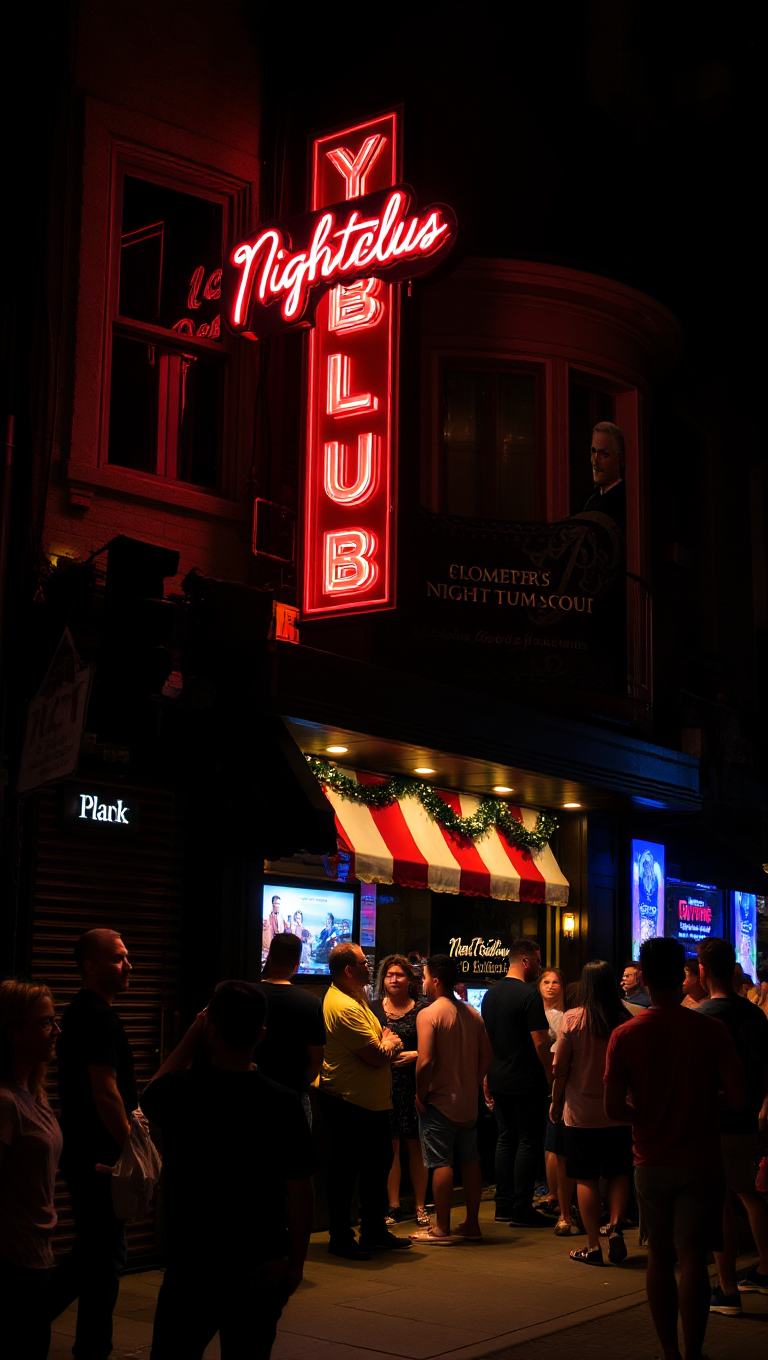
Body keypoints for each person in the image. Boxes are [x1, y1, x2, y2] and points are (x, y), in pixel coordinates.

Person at [141, 980, 317, 1359]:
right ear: (262, 1034)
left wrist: (194, 1032)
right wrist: (295, 1263)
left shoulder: (184, 1090)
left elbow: (149, 1096)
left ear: (211, 1030)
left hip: (193, 1264)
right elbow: (301, 1193)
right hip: (260, 1263)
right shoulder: (283, 1102)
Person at [604, 937, 747, 1360]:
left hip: (651, 1158)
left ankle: (669, 1352)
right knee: (694, 1259)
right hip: (702, 1158)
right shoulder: (710, 1029)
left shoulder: (625, 1035)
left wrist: (647, 1113)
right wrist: (700, 1102)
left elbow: (614, 1108)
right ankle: (694, 1351)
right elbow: (738, 1096)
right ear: (686, 978)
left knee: (660, 1259)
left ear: (644, 978)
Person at [51, 928, 138, 1360]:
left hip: (83, 1151)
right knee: (102, 1257)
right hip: (100, 1156)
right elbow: (105, 1091)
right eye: (118, 958)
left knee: (95, 1251)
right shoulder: (98, 1016)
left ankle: (88, 1344)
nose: (128, 965)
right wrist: (131, 1150)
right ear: (90, 967)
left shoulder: (80, 1012)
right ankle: (90, 1348)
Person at [318, 942, 411, 1260]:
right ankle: (341, 1238)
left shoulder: (354, 996)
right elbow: (375, 1054)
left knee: (377, 1163)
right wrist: (389, 1043)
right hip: (351, 1101)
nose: (368, 966)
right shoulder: (343, 1005)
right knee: (346, 1172)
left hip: (367, 1101)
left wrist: (385, 1039)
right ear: (348, 970)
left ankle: (373, 1230)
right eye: (363, 961)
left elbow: (380, 1036)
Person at [696, 937, 768, 1314]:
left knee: (719, 1202)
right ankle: (765, 1269)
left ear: (703, 971)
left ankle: (727, 1290)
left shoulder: (705, 1017)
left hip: (716, 1122)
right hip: (751, 1119)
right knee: (749, 1192)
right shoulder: (754, 1015)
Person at [551, 961, 633, 1266]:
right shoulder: (625, 1019)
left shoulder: (572, 1019)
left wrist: (555, 1102)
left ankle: (593, 1247)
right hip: (618, 1111)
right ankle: (614, 1227)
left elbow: (559, 1068)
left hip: (581, 1112)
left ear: (584, 985)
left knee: (584, 1177)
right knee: (618, 1173)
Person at [410, 954, 494, 1244]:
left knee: (440, 1162)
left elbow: (425, 1061)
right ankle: (472, 1223)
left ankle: (441, 1228)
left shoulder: (428, 1014)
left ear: (435, 980)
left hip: (440, 1101)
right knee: (471, 1161)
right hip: (468, 1103)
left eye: (423, 978)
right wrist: (473, 1080)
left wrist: (421, 1094)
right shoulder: (472, 1013)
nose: (421, 983)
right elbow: (488, 1056)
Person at [0, 980, 63, 1360]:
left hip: (38, 1256)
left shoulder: (34, 1092)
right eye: (45, 1023)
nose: (56, 1030)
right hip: (13, 1266)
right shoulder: (6, 1104)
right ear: (13, 1034)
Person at [481, 938, 554, 1227]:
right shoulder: (529, 995)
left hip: (498, 1075)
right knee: (527, 1141)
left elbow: (487, 1040)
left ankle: (503, 1205)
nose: (539, 966)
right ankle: (523, 1208)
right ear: (524, 961)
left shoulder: (491, 995)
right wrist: (551, 1075)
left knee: (505, 1138)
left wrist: (486, 1073)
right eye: (537, 960)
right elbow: (540, 1042)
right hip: (525, 1078)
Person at [369, 954, 430, 1229]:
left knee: (417, 1147)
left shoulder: (422, 1009)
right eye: (389, 974)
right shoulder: (373, 1009)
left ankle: (420, 1205)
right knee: (389, 1148)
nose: (394, 979)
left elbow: (437, 1047)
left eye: (400, 974)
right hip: (384, 1084)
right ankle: (392, 1205)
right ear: (383, 979)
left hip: (416, 1084)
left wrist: (416, 1054)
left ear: (410, 979)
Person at [257, 933, 326, 1125]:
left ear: (269, 958)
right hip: (293, 1096)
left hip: (251, 1095)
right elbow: (316, 1061)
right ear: (297, 963)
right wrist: (300, 1086)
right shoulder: (310, 1003)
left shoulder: (249, 996)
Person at [538, 969, 575, 1231]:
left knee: (555, 1141)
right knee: (549, 1140)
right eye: (546, 982)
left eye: (556, 982)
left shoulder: (566, 1017)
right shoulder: (533, 1012)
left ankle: (556, 1196)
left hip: (557, 1079)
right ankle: (553, 1194)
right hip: (537, 1078)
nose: (551, 987)